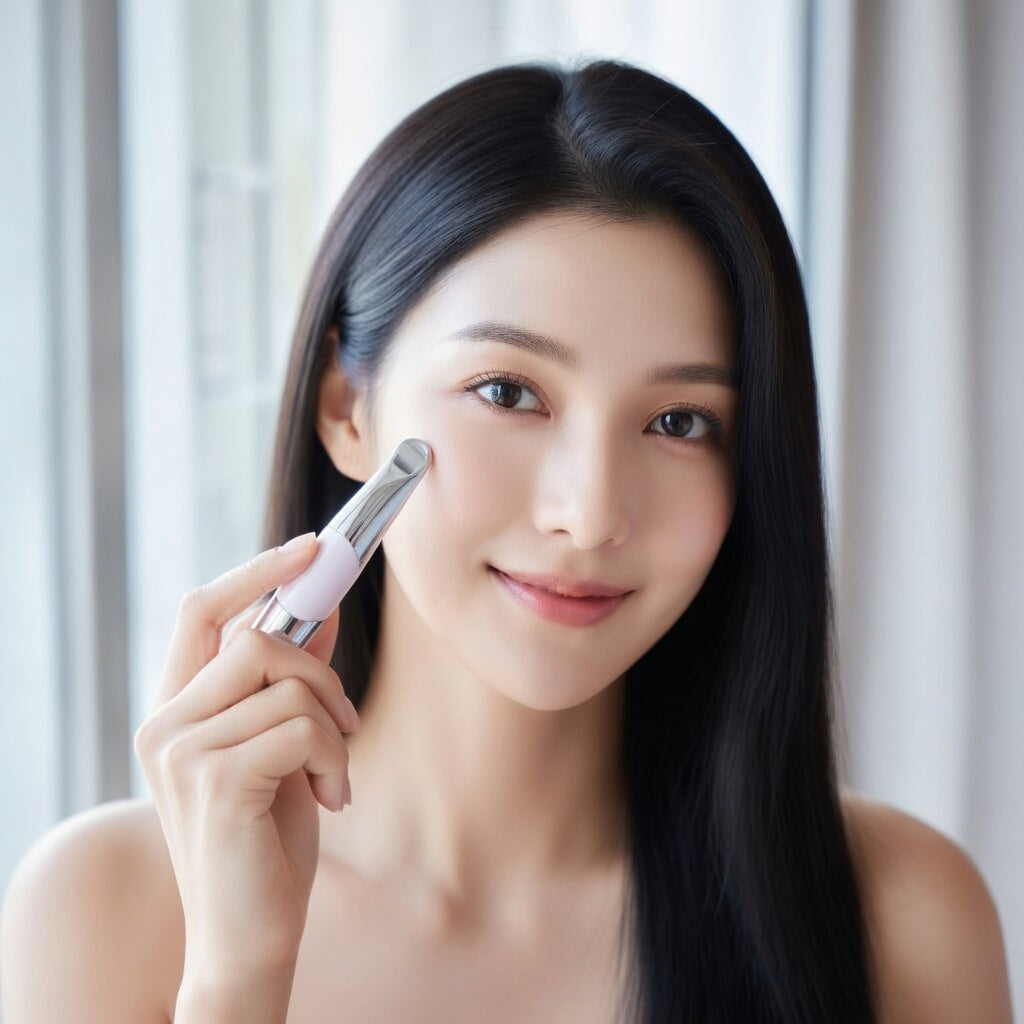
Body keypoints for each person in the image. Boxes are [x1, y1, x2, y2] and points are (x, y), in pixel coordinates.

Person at [1, 60, 1013, 1024]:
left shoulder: (901, 915)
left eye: (678, 422)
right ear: (348, 407)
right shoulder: (107, 910)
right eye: (507, 392)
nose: (588, 513)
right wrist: (235, 982)